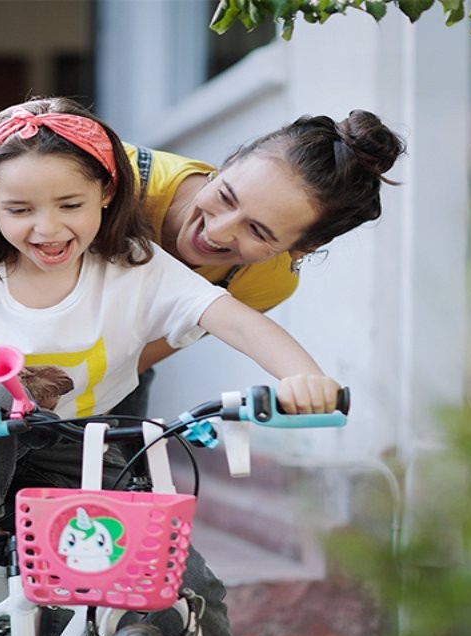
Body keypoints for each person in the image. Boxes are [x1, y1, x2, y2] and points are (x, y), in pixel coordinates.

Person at [0, 97, 343, 636]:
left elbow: (236, 319)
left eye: (70, 204)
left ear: (109, 193)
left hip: (82, 447)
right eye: (19, 208)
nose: (48, 227)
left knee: (185, 586)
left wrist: (303, 377)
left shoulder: (138, 265)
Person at [112, 111, 405, 416]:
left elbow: (136, 360)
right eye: (227, 197)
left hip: (112, 367)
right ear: (231, 161)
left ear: (304, 248)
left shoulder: (264, 282)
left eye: (257, 230)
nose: (217, 231)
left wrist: (306, 379)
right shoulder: (113, 176)